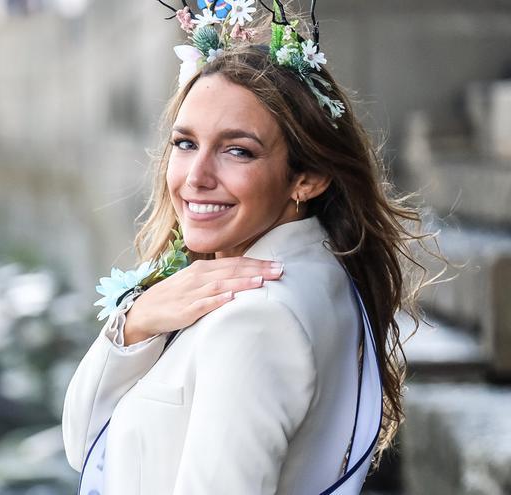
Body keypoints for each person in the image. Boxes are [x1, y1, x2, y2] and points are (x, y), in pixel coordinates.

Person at [61, 1, 444, 494]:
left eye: (237, 150)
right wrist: (135, 323)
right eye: (185, 143)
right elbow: (86, 445)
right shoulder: (316, 269)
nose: (196, 177)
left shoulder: (255, 317)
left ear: (308, 177)